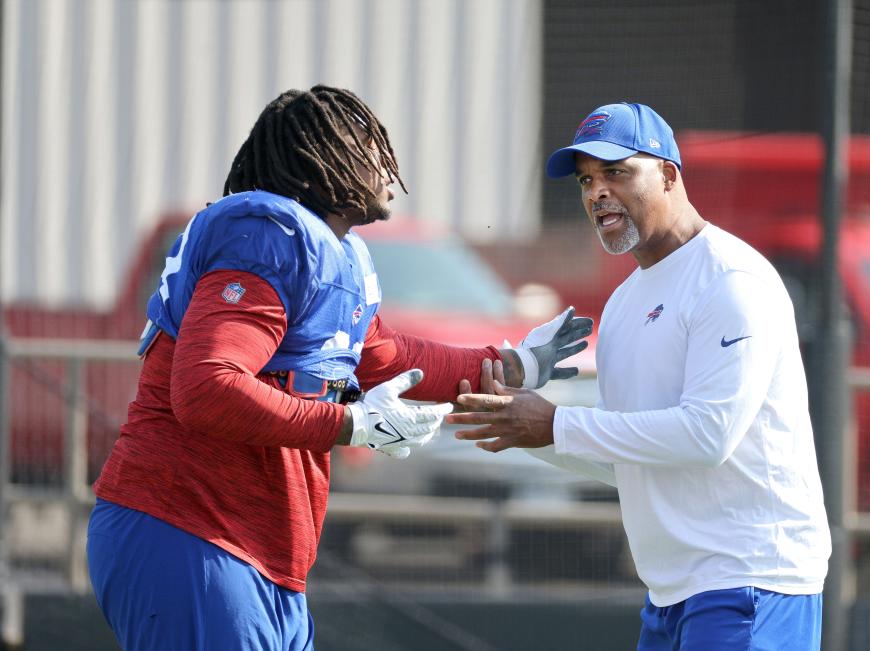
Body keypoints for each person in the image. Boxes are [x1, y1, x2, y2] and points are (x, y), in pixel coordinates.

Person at [86, 85, 592, 650]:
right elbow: (207, 387)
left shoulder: (333, 251)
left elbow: (390, 357)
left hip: (257, 547)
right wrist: (351, 424)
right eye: (365, 145)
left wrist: (514, 363)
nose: (384, 163)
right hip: (189, 526)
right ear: (316, 161)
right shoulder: (268, 236)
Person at [448, 102, 831, 650]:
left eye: (617, 172)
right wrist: (518, 428)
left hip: (753, 582)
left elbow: (707, 436)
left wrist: (555, 424)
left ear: (670, 175)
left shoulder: (732, 280)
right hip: (671, 594)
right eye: (586, 180)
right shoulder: (625, 303)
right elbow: (630, 460)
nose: (596, 192)